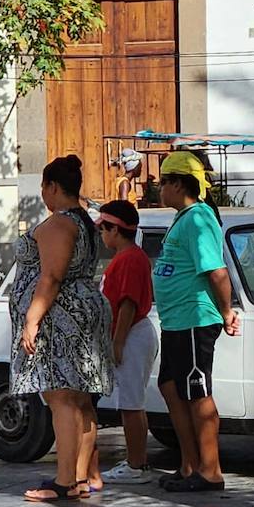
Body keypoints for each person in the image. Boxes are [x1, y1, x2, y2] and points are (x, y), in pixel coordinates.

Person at [10, 156, 113, 502]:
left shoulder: (61, 223)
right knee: (80, 399)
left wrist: (32, 319)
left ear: (53, 186)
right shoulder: (83, 221)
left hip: (62, 317)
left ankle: (65, 480)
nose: (43, 195)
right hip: (82, 309)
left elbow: (51, 276)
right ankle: (79, 477)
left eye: (43, 187)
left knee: (61, 397)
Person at [153, 151, 241, 493]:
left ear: (178, 184)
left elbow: (217, 272)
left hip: (194, 318)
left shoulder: (199, 218)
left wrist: (226, 311)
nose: (159, 189)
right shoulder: (184, 218)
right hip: (176, 321)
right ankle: (189, 464)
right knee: (170, 387)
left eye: (163, 182)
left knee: (197, 391)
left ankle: (210, 470)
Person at [95, 200, 161, 484]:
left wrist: (118, 341)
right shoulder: (127, 257)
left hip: (132, 334)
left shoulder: (130, 259)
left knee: (131, 403)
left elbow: (128, 303)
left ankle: (136, 464)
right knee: (132, 402)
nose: (101, 234)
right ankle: (136, 461)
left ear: (115, 230)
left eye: (103, 228)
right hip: (132, 333)